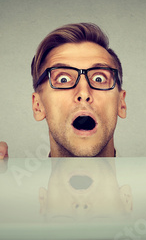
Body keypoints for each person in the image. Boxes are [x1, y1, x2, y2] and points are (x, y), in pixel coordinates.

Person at [31, 23, 127, 157]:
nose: (83, 93)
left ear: (121, 103)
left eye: (99, 78)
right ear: (38, 106)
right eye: (63, 79)